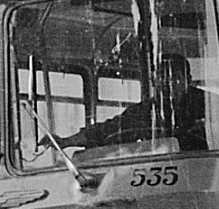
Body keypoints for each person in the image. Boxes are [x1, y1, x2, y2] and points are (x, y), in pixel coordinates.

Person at [55, 55, 208, 152]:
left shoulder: (208, 104)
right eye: (160, 78)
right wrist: (67, 141)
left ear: (188, 79)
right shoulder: (144, 110)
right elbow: (109, 129)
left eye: (173, 77)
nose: (166, 83)